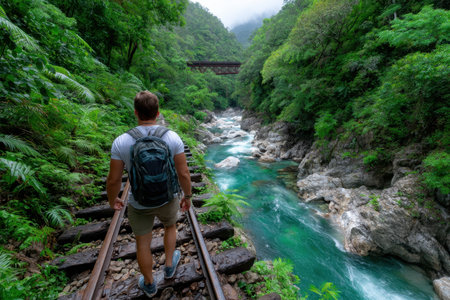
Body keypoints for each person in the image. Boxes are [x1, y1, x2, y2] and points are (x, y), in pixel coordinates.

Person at [106, 91, 192, 298]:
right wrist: (187, 196)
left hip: (139, 202)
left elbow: (113, 180)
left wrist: (113, 199)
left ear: (136, 113)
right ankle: (170, 266)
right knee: (170, 226)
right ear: (158, 112)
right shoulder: (172, 137)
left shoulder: (121, 141)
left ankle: (150, 284)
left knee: (142, 242)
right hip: (167, 197)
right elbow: (183, 173)